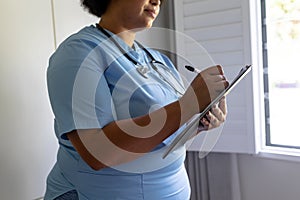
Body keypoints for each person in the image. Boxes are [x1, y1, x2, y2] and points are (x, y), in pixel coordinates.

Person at [44, 0, 229, 199]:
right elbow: (97, 152)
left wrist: (198, 124)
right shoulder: (78, 53)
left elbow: (164, 135)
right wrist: (187, 105)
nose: (157, 1)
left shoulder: (158, 59)